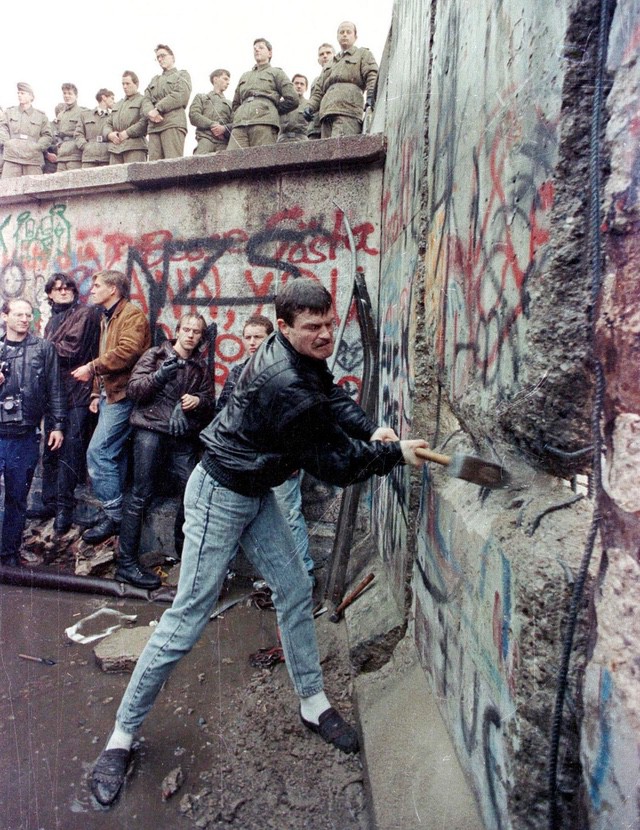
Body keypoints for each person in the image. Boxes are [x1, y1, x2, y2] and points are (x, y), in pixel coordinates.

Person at [89, 278, 427, 807]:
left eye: (328, 323)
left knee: (294, 590)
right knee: (185, 621)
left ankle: (313, 702)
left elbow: (329, 395)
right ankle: (121, 736)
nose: (324, 335)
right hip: (221, 493)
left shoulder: (298, 356)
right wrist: (393, 455)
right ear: (286, 326)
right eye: (312, 327)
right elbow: (334, 464)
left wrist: (370, 429)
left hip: (255, 487)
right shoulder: (281, 381)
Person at [117, 313, 215, 589]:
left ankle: (186, 560)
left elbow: (210, 401)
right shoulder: (156, 355)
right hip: (150, 430)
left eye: (197, 332)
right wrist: (161, 375)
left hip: (180, 436)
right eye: (187, 329)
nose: (191, 335)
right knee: (140, 494)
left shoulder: (198, 366)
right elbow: (134, 391)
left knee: (192, 492)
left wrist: (196, 401)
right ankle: (126, 564)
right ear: (178, 331)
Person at [216, 314, 314, 578]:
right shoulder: (239, 371)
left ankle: (303, 575)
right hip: (245, 460)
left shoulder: (289, 370)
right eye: (247, 337)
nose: (251, 342)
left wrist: (293, 459)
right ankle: (223, 577)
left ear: (271, 338)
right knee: (234, 516)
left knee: (288, 516)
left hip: (279, 460)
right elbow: (222, 412)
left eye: (257, 337)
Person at [71, 271, 151, 546]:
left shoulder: (132, 315)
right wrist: (96, 392)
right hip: (109, 395)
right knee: (113, 456)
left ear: (114, 289)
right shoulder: (108, 316)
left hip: (124, 396)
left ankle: (115, 517)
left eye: (97, 286)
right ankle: (112, 514)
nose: (91, 290)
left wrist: (91, 369)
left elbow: (127, 351)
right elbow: (106, 353)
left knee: (99, 453)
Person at [27, 274, 100, 534]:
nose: (64, 291)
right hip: (53, 393)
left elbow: (73, 349)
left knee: (70, 450)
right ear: (49, 294)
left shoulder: (84, 313)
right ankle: (48, 502)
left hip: (77, 392)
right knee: (50, 449)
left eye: (68, 287)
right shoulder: (52, 319)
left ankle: (64, 509)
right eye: (57, 289)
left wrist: (40, 348)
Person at [0, 299, 65, 567]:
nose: (24, 319)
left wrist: (57, 425)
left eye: (28, 315)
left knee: (17, 498)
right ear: (4, 316)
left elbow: (54, 389)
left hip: (24, 436)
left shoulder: (43, 349)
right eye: (18, 314)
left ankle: (8, 554)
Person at [304, 22, 378, 139]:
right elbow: (318, 91)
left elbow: (372, 75)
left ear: (355, 37)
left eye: (348, 32)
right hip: (326, 113)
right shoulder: (331, 62)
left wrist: (371, 97)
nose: (344, 35)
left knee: (341, 151)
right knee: (327, 153)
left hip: (348, 110)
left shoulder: (363, 54)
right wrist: (310, 107)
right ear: (337, 36)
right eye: (341, 32)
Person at [228, 38, 298, 149]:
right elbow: (235, 103)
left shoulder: (277, 73)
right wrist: (239, 115)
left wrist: (271, 109)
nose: (256, 50)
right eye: (254, 48)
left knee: (262, 160)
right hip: (240, 125)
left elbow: (293, 99)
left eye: (261, 47)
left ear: (270, 53)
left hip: (264, 123)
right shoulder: (245, 76)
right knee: (231, 161)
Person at [142, 44, 192, 161]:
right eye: (157, 57)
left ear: (172, 57)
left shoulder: (182, 74)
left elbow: (181, 95)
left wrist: (158, 108)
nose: (160, 59)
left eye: (162, 56)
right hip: (154, 126)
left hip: (172, 124)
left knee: (172, 164)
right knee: (153, 168)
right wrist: (150, 112)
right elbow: (146, 99)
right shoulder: (155, 80)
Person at [0, 83, 53, 178]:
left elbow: (47, 135)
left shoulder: (41, 116)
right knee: (8, 189)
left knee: (34, 189)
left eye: (22, 93)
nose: (19, 95)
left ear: (31, 96)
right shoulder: (9, 112)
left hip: (32, 159)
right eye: (18, 93)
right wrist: (7, 142)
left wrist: (38, 147)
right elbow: (2, 128)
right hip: (12, 157)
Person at [106, 72, 149, 165]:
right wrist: (110, 134)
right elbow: (107, 123)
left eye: (128, 83)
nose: (125, 87)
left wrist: (127, 133)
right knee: (115, 179)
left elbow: (145, 121)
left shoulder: (144, 100)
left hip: (135, 148)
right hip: (116, 149)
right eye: (123, 84)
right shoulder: (118, 104)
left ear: (136, 84)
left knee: (135, 178)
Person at [189, 69, 233, 155]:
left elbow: (236, 123)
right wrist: (212, 124)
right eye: (225, 79)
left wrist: (223, 129)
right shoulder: (201, 97)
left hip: (223, 142)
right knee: (196, 163)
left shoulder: (231, 104)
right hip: (205, 138)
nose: (228, 83)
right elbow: (193, 115)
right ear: (215, 79)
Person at [75, 88, 115, 169]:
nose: (114, 102)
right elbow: (78, 134)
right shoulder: (85, 115)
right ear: (104, 97)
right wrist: (85, 146)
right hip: (89, 158)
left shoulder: (114, 116)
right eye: (112, 98)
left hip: (107, 157)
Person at [52, 84, 86, 171]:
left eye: (70, 94)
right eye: (64, 93)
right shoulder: (60, 115)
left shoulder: (82, 112)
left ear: (76, 96)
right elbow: (56, 133)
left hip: (75, 155)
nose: (67, 96)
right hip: (61, 156)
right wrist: (58, 143)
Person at [308, 43, 335, 139]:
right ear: (318, 60)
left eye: (328, 53)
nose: (325, 56)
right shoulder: (316, 81)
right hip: (316, 126)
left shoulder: (337, 76)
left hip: (332, 120)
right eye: (321, 54)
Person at [277, 74, 310, 143]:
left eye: (302, 84)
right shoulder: (282, 104)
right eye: (296, 83)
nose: (299, 86)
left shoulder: (309, 105)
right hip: (282, 141)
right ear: (291, 86)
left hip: (302, 141)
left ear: (306, 88)